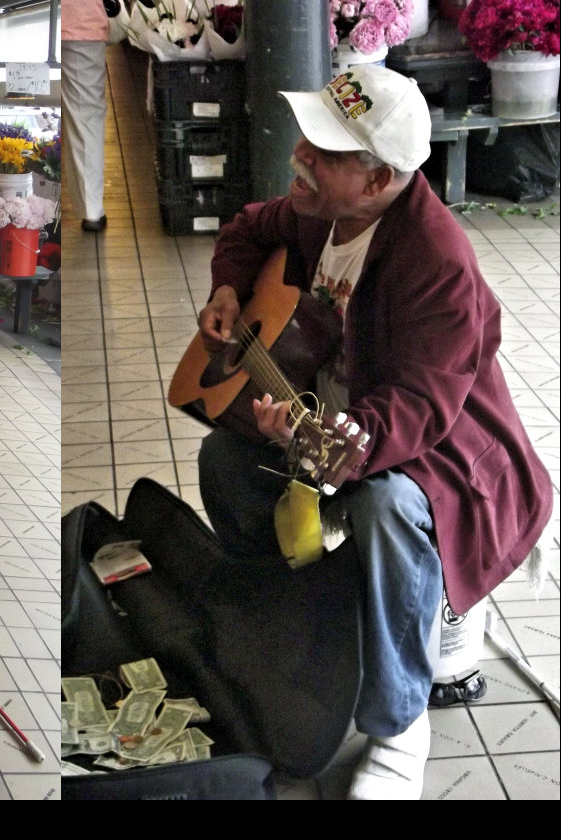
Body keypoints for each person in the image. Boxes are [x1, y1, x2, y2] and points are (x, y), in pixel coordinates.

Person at [193, 65, 552, 800]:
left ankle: (399, 725)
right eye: (308, 137)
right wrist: (229, 287)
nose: (299, 155)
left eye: (323, 151)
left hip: (440, 454)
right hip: (335, 416)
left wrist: (310, 447)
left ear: (380, 177)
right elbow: (246, 228)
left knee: (383, 508)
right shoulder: (321, 210)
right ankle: (297, 631)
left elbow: (416, 415)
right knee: (223, 459)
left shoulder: (437, 264)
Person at [60, 0, 108, 232]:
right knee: (85, 118)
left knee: (18, 103)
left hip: (20, 22)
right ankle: (90, 210)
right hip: (80, 21)